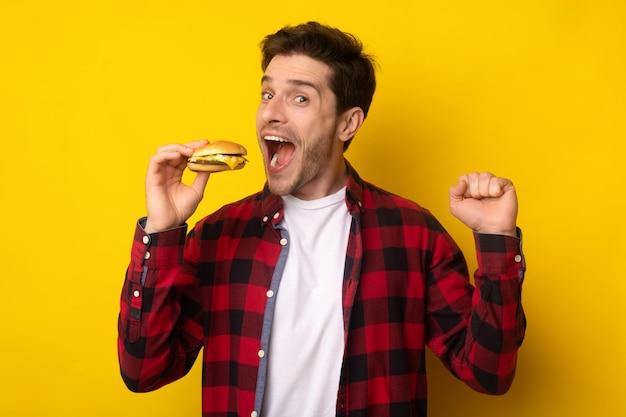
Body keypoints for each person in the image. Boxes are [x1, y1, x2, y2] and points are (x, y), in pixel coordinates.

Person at [117, 21, 526, 417]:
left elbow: (488, 373)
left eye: (299, 99)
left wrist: (496, 241)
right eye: (266, 94)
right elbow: (144, 371)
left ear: (348, 123)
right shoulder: (219, 235)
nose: (271, 115)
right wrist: (162, 231)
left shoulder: (414, 234)